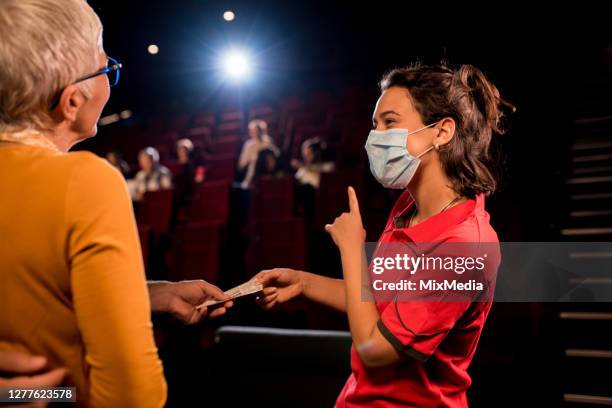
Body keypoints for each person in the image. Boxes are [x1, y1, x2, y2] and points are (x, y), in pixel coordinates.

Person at [0, 1, 231, 406]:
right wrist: (46, 392)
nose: (112, 75)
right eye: (107, 68)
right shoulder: (86, 182)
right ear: (71, 102)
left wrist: (143, 294)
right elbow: (132, 396)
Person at [256, 63, 514, 407]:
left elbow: (375, 350)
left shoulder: (467, 244)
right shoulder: (407, 206)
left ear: (442, 131)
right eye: (375, 125)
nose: (375, 137)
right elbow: (377, 301)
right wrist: (303, 283)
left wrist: (351, 249)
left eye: (390, 122)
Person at [237, 119, 279, 189]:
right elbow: (241, 164)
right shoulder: (248, 145)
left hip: (266, 171)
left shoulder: (267, 141)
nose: (254, 133)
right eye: (252, 131)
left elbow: (275, 155)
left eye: (256, 131)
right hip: (251, 173)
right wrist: (250, 158)